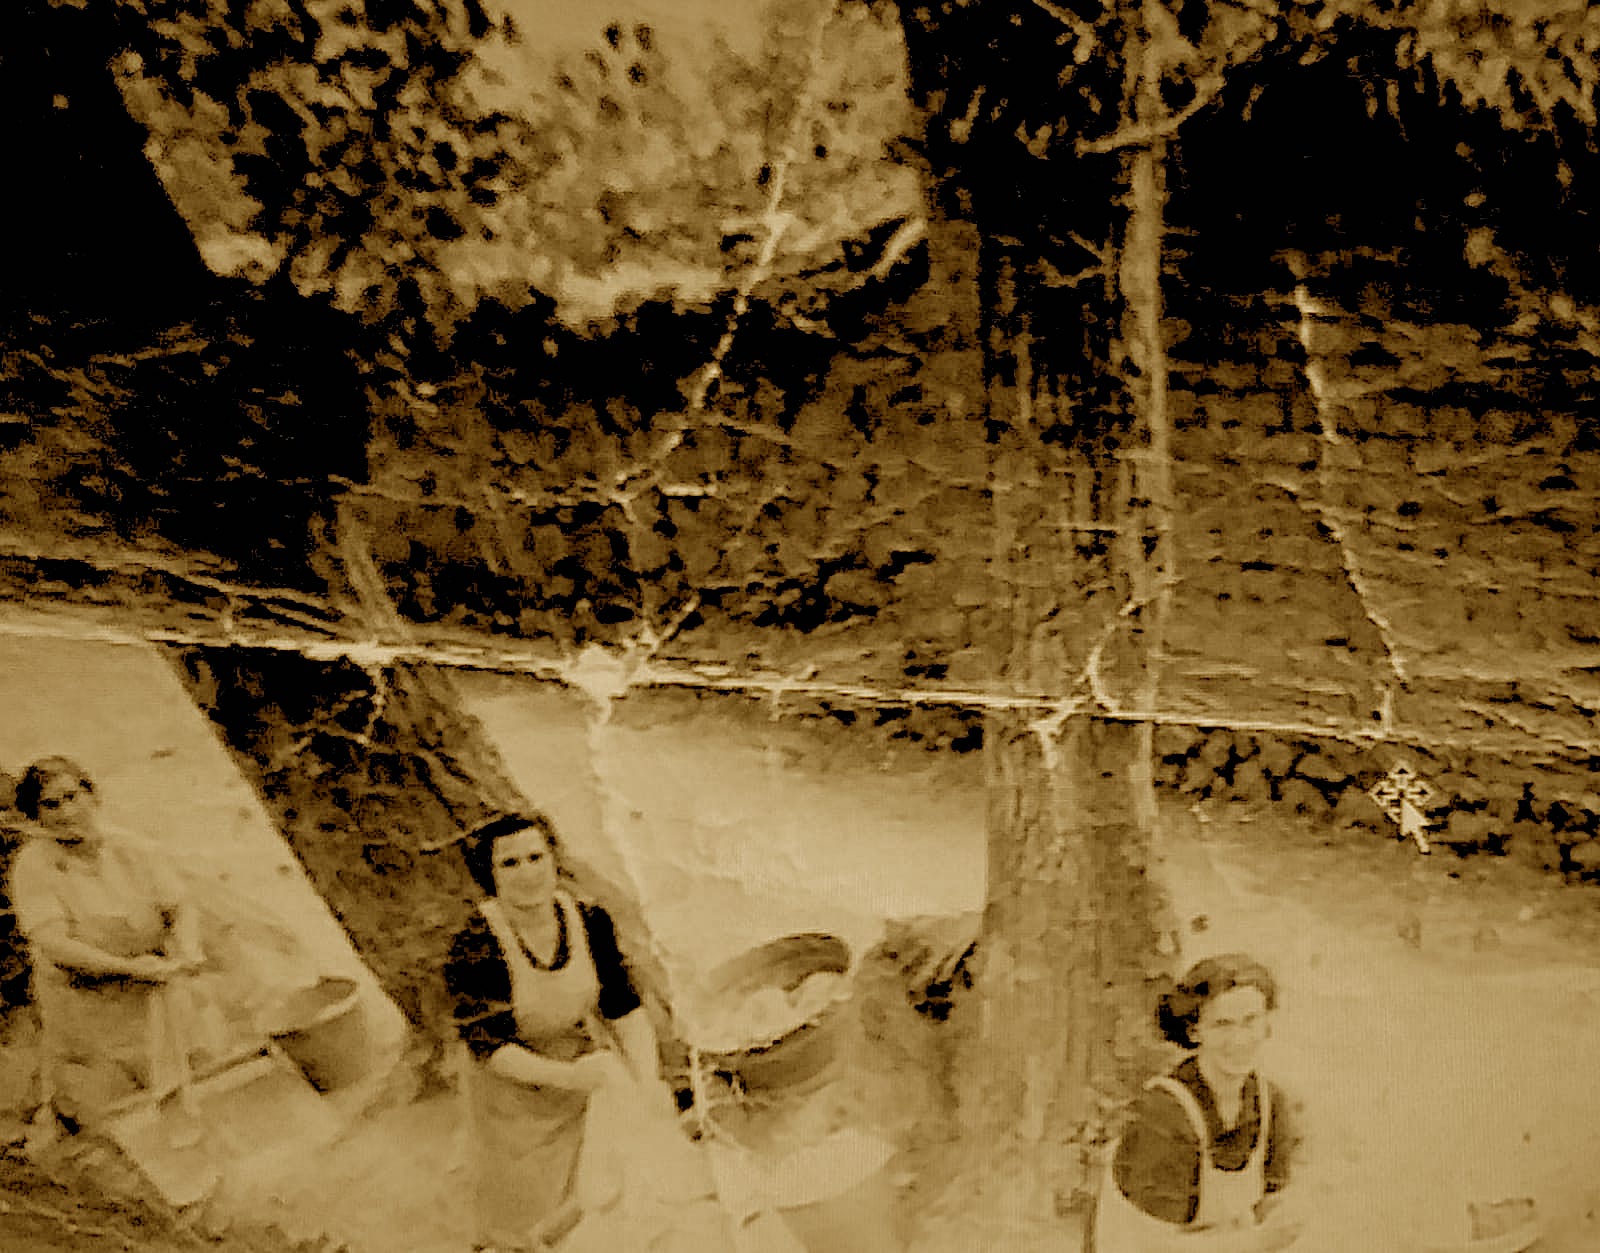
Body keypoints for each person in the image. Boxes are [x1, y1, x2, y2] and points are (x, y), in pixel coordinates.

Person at [443, 812, 728, 1253]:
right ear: (489, 874)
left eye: (536, 856)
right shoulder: (477, 944)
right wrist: (574, 1077)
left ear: (554, 858)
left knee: (608, 1186)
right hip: (513, 1090)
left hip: (581, 1063)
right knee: (532, 1213)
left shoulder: (587, 919)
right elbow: (490, 1047)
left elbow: (622, 1007)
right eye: (510, 864)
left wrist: (644, 1079)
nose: (527, 873)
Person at [7, 757, 207, 1140]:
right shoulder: (34, 868)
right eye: (52, 805)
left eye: (72, 796)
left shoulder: (131, 847)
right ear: (36, 816)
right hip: (88, 1005)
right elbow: (54, 943)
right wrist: (131, 968)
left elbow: (179, 905)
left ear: (91, 794)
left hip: (151, 986)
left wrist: (189, 948)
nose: (67, 812)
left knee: (190, 1072)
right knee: (120, 1104)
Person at [1093, 953, 1303, 1253]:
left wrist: (1285, 1219)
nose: (1240, 1040)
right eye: (1222, 1025)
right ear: (1195, 1031)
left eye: (1250, 1022)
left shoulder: (1269, 1103)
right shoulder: (1163, 1115)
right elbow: (1151, 1246)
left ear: (1267, 1022)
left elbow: (1270, 1202)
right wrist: (1258, 1242)